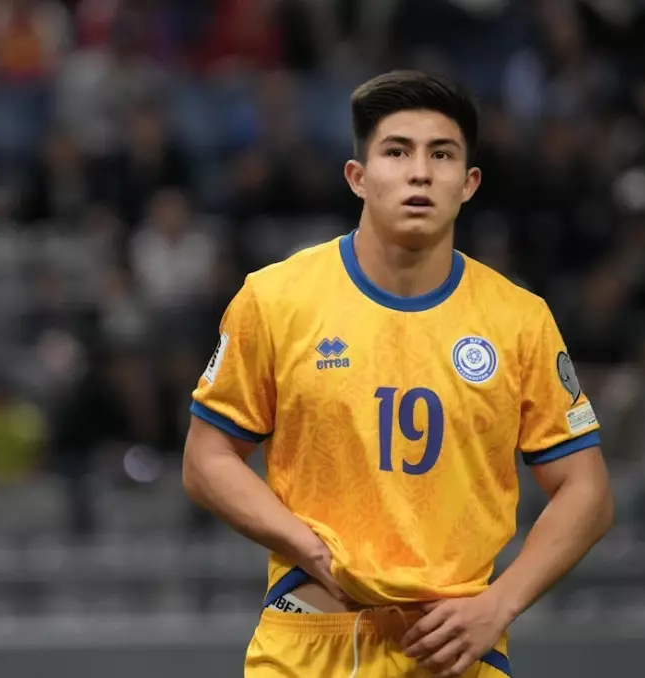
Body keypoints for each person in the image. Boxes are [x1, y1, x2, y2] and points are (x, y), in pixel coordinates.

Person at [183, 71, 615, 678]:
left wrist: (501, 603)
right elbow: (207, 458)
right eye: (396, 152)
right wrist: (312, 550)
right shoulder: (276, 299)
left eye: (441, 155)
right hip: (308, 644)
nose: (420, 173)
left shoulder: (519, 320)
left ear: (469, 184)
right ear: (357, 177)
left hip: (453, 651)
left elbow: (587, 490)